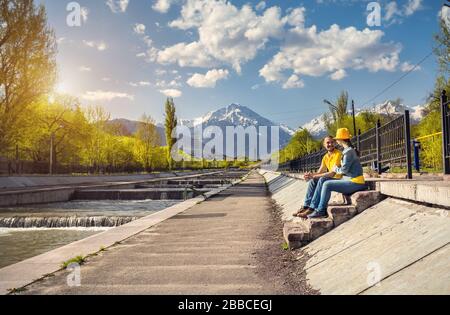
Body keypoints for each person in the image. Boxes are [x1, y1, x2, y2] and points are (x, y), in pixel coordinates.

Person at [307, 128, 368, 219]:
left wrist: (335, 169)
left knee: (327, 184)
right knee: (324, 180)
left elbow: (344, 170)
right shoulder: (348, 150)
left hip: (356, 182)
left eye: (337, 139)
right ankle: (315, 207)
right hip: (349, 180)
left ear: (340, 140)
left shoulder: (348, 152)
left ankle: (321, 210)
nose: (336, 141)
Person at [293, 136, 343, 218]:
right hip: (331, 177)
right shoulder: (325, 157)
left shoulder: (338, 154)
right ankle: (306, 206)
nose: (330, 144)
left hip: (338, 178)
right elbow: (320, 171)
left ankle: (312, 208)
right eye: (328, 142)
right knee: (314, 181)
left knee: (322, 179)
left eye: (332, 142)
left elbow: (332, 174)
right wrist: (310, 176)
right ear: (324, 144)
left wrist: (314, 176)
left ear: (334, 143)